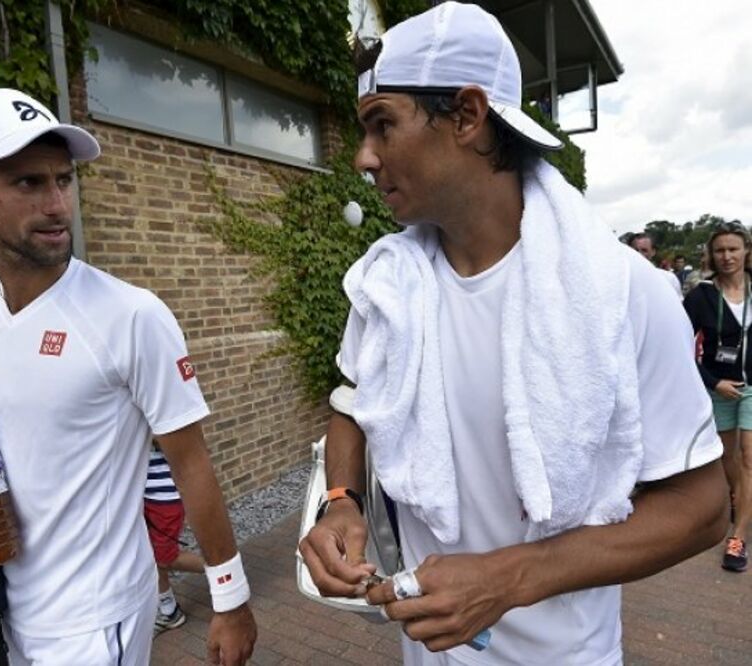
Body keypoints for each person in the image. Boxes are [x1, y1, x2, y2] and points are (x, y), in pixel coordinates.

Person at [298, 4, 727, 665]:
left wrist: (508, 577)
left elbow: (702, 507)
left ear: (468, 116)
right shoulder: (388, 288)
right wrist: (340, 502)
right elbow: (351, 404)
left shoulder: (620, 294)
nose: (363, 157)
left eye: (383, 124)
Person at [0, 88, 256, 665]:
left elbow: (191, 461)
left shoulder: (131, 315)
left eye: (63, 180)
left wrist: (231, 599)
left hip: (92, 621)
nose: (57, 204)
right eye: (28, 183)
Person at [683, 221, 752, 572]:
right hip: (719, 387)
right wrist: (712, 381)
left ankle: (738, 536)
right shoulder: (701, 296)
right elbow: (678, 345)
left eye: (734, 249)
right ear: (712, 254)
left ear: (746, 252)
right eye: (720, 250)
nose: (727, 256)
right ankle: (740, 499)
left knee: (748, 457)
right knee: (729, 461)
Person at [144, 441, 206, 634]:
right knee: (149, 555)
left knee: (165, 558)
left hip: (164, 497)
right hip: (142, 495)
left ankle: (223, 571)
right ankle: (169, 611)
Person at [627, 232, 683, 298]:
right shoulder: (623, 280)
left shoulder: (669, 279)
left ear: (653, 252)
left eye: (644, 250)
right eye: (635, 250)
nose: (639, 254)